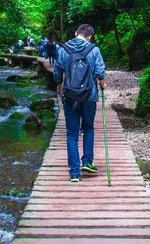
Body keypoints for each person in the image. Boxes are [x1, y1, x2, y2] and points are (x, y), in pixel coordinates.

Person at [53, 24, 106, 182]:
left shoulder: (63, 49)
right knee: (88, 128)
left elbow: (57, 74)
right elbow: (100, 72)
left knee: (72, 133)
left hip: (70, 96)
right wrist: (102, 83)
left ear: (76, 33)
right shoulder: (93, 49)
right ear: (90, 36)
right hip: (89, 96)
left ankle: (74, 173)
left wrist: (59, 86)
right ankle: (87, 162)